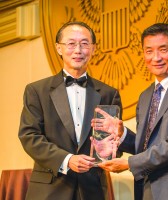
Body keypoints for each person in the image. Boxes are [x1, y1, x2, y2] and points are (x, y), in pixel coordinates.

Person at [93, 23, 168, 200]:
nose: (155, 57)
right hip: (148, 190)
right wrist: (122, 134)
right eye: (149, 51)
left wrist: (129, 163)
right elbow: (148, 147)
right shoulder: (145, 96)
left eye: (163, 49)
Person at [18, 21, 122, 200]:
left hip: (92, 190)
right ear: (59, 48)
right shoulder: (37, 90)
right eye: (71, 44)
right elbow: (29, 136)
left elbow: (113, 146)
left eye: (84, 44)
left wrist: (113, 146)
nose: (78, 50)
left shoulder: (108, 93)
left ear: (94, 49)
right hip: (49, 190)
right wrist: (67, 160)